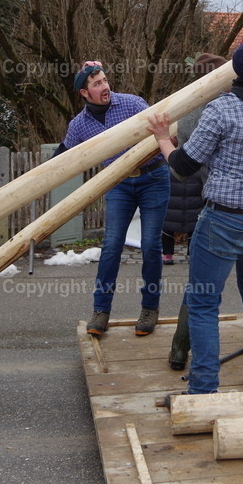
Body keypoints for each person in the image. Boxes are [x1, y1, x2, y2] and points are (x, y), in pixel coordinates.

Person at [147, 37, 243, 394]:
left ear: (233, 72)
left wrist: (162, 137)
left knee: (202, 303)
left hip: (224, 221)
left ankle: (202, 388)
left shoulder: (222, 110)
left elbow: (183, 166)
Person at [63, 61, 170, 337]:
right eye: (97, 84)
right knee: (111, 246)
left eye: (105, 81)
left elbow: (162, 130)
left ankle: (149, 308)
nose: (105, 87)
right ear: (84, 93)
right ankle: (101, 311)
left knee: (150, 244)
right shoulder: (79, 125)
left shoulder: (132, 104)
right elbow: (64, 157)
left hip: (153, 178)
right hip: (119, 184)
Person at [159, 54, 227, 266]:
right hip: (229, 198)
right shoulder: (203, 109)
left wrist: (164, 141)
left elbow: (180, 167)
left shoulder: (192, 110)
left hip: (209, 189)